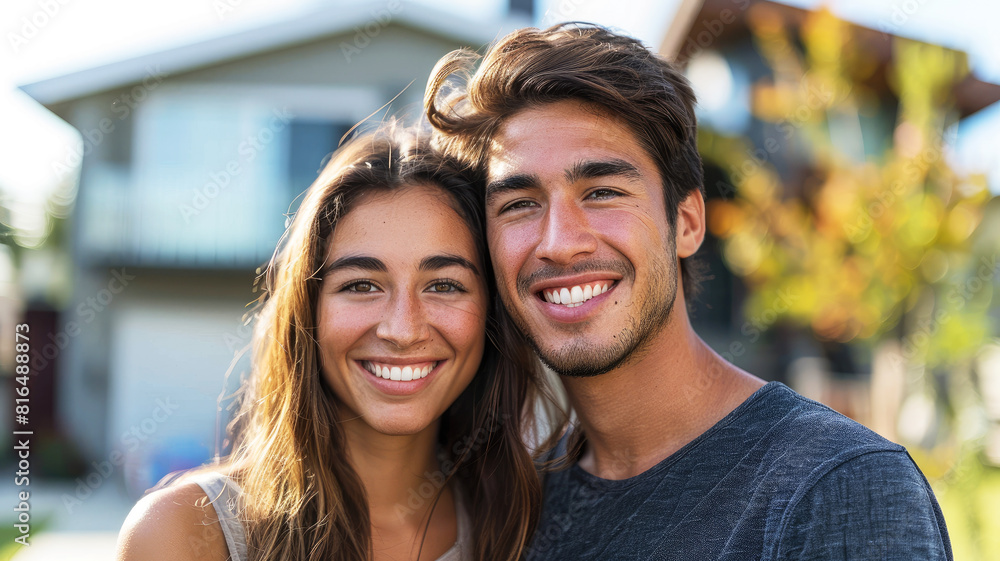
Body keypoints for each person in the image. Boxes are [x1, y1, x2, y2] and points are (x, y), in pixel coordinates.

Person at [424, 23, 953, 560]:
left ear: (688, 222)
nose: (559, 244)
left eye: (603, 192)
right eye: (518, 203)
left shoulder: (838, 489)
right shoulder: (517, 514)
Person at [115, 125, 553, 561]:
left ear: (491, 314)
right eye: (362, 285)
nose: (402, 330)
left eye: (443, 285)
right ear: (308, 311)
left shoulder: (527, 525)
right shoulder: (183, 535)